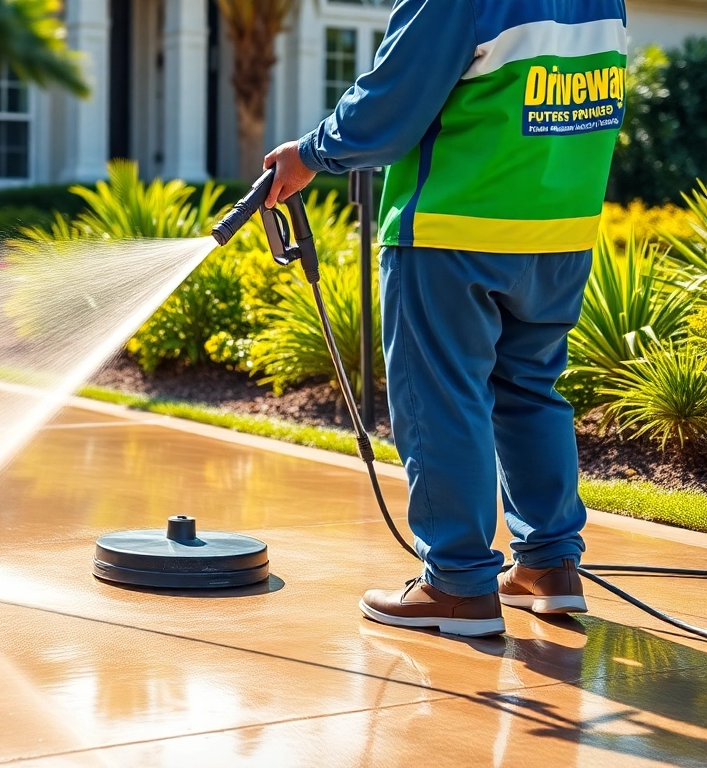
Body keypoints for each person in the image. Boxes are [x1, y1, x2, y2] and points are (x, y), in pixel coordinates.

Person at [263, 0, 628, 637]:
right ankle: (549, 567)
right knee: (530, 392)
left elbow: (390, 106)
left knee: (441, 400)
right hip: (559, 231)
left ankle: (457, 585)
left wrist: (310, 155)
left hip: (452, 230)